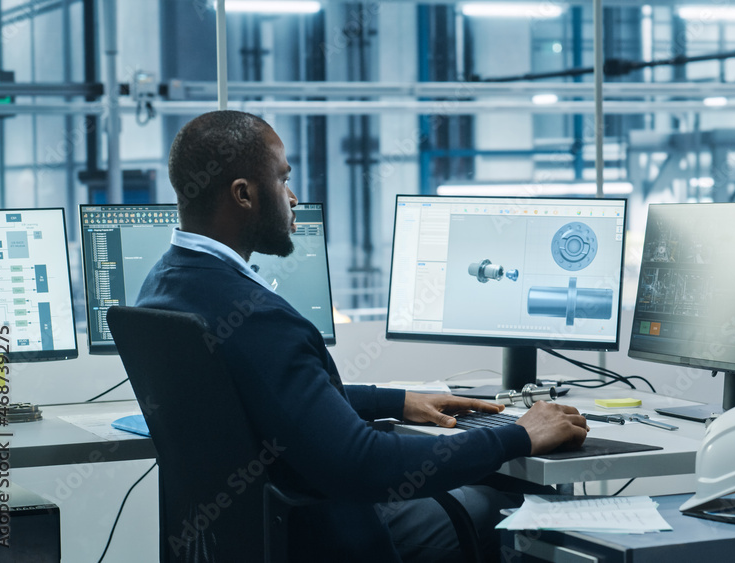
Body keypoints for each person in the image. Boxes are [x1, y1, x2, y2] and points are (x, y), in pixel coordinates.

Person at [137, 110, 588, 562]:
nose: (292, 197)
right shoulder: (260, 319)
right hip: (328, 534)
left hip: (251, 538)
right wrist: (519, 437)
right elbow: (365, 465)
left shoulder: (164, 285)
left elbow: (266, 400)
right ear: (243, 194)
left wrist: (396, 402)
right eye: (282, 180)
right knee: (508, 506)